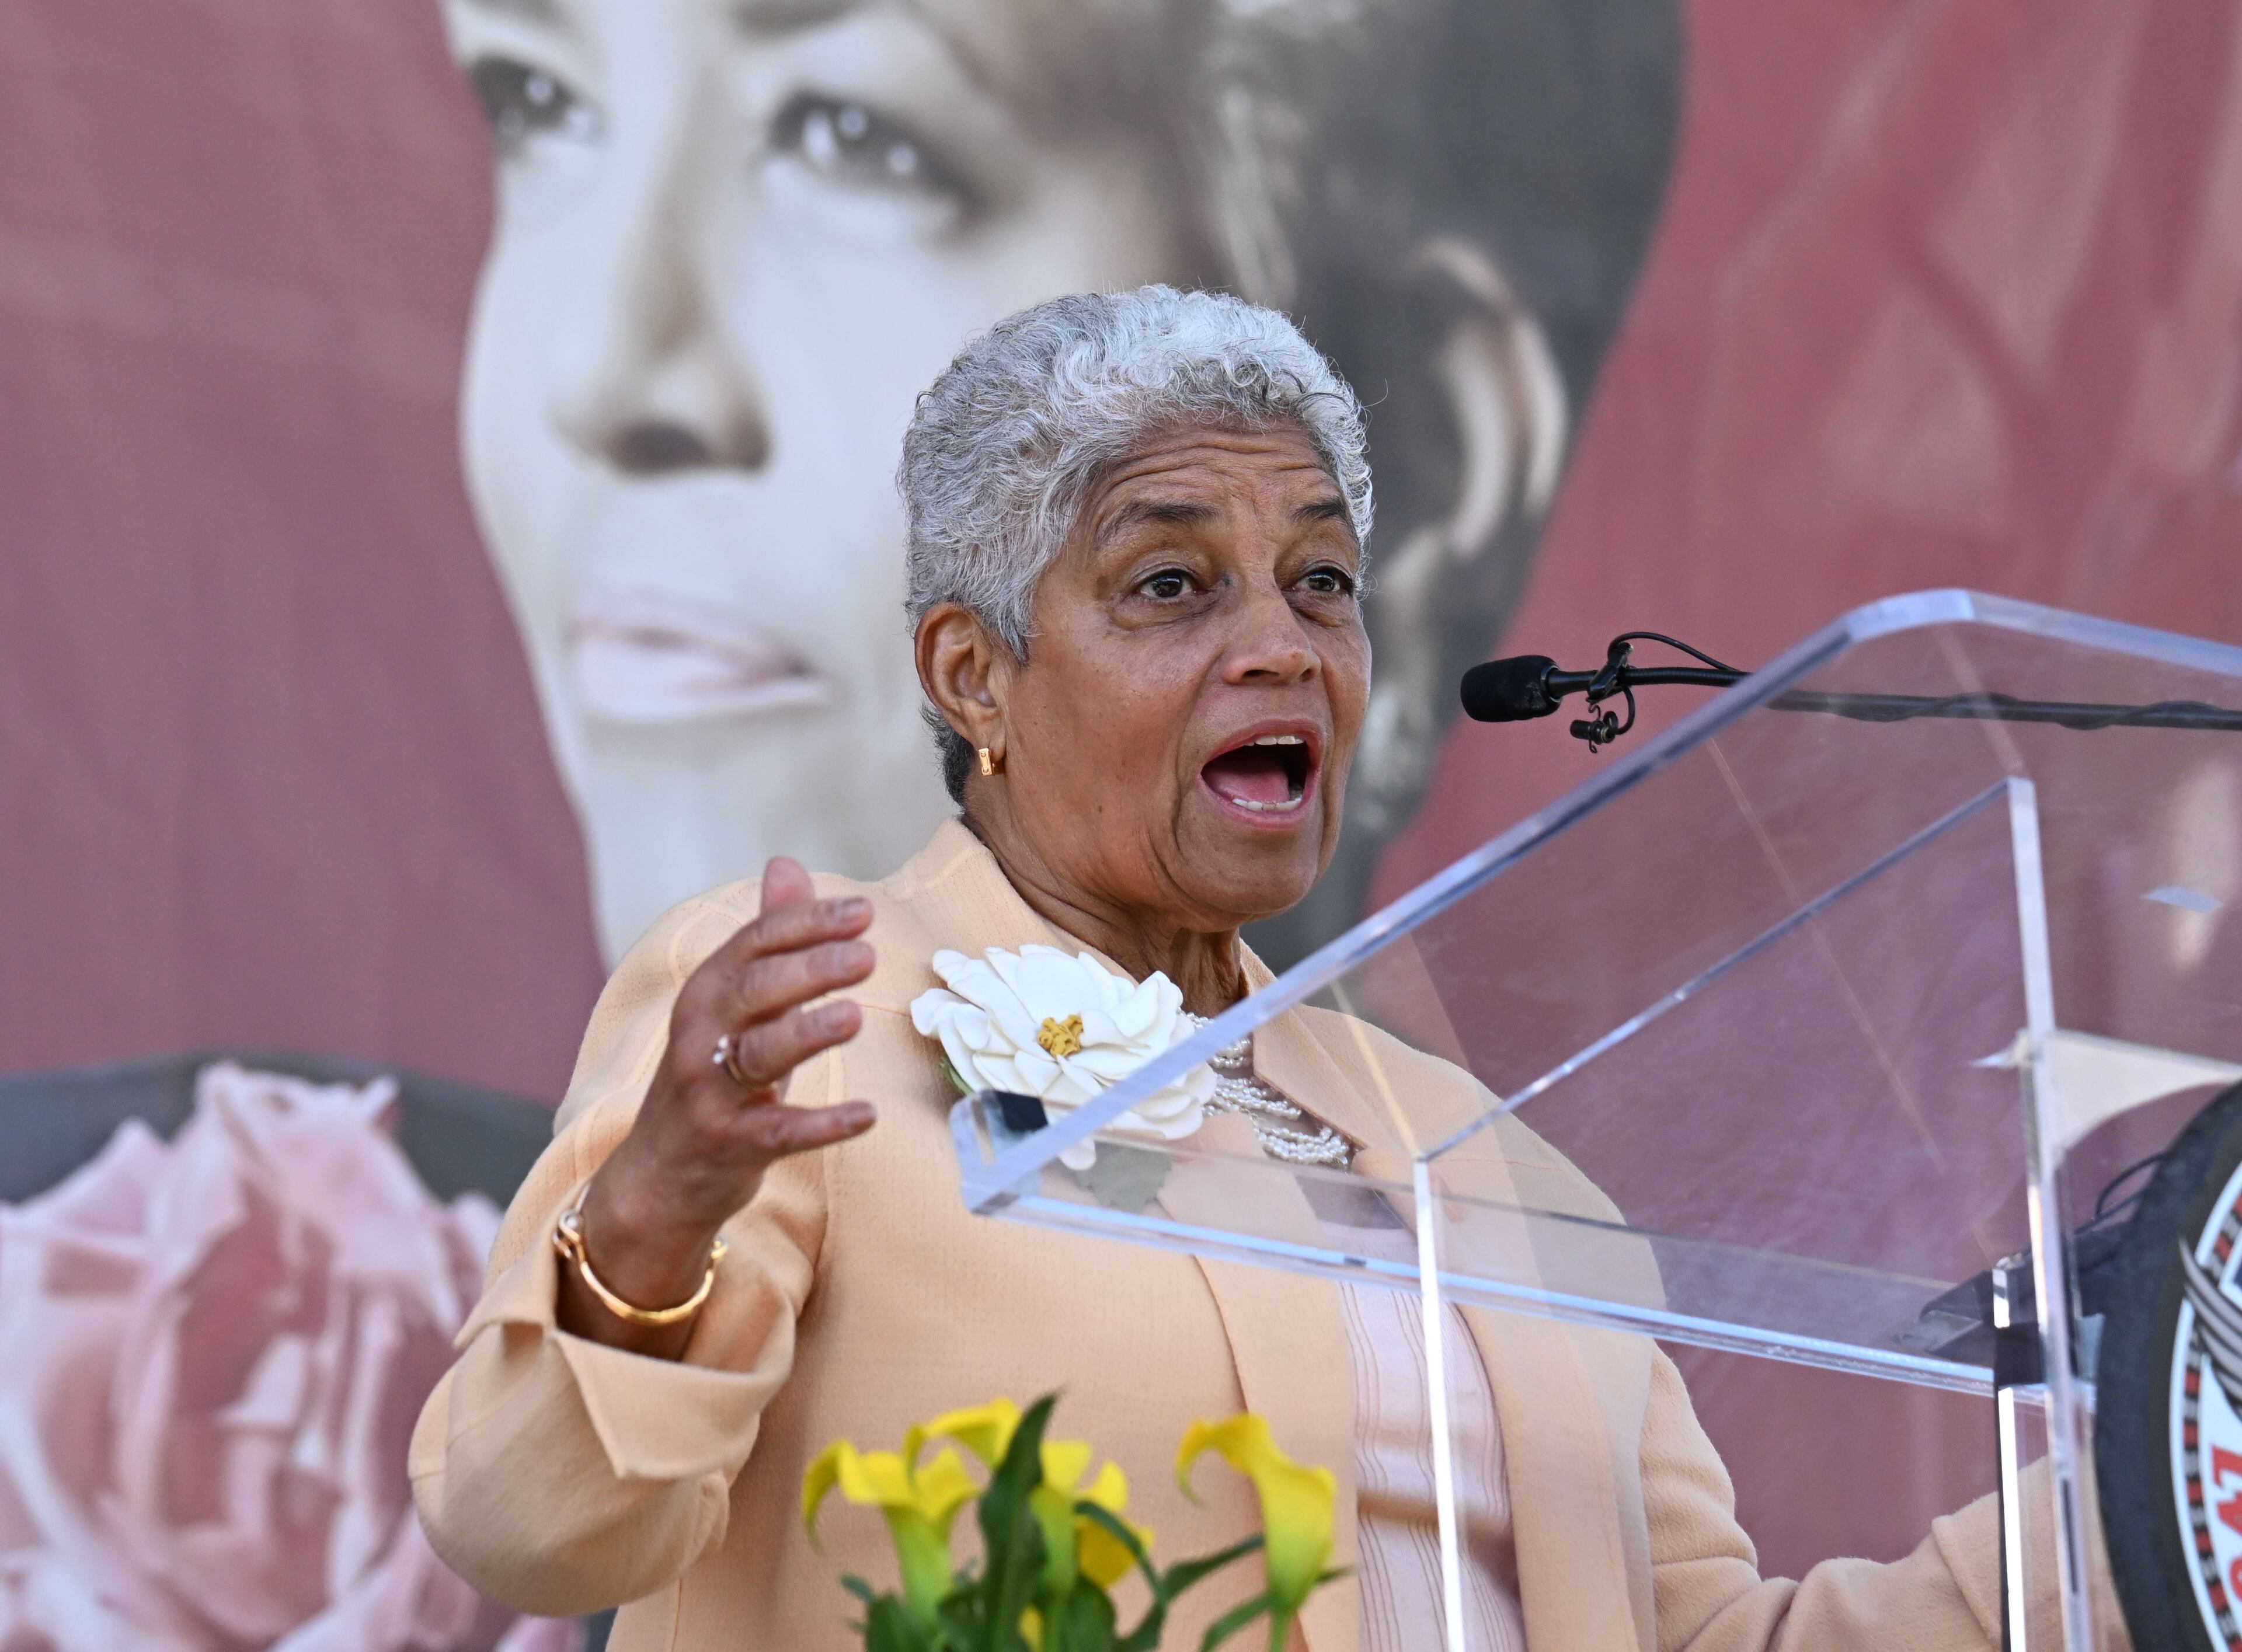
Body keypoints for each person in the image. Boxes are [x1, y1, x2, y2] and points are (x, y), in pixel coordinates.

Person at [411, 290, 2055, 1651]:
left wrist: (2135, 1509)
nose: (1280, 644)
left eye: (1321, 582)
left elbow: (1695, 1633)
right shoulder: (820, 1016)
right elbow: (526, 1526)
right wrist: (646, 1224)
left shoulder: (1487, 1150)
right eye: (1173, 584)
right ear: (975, 673)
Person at [434, 0, 1680, 967]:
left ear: (1423, 481)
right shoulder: (401, 1218)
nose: (592, 368)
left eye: (855, 134)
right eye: (540, 98)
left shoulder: (1487, 1238)